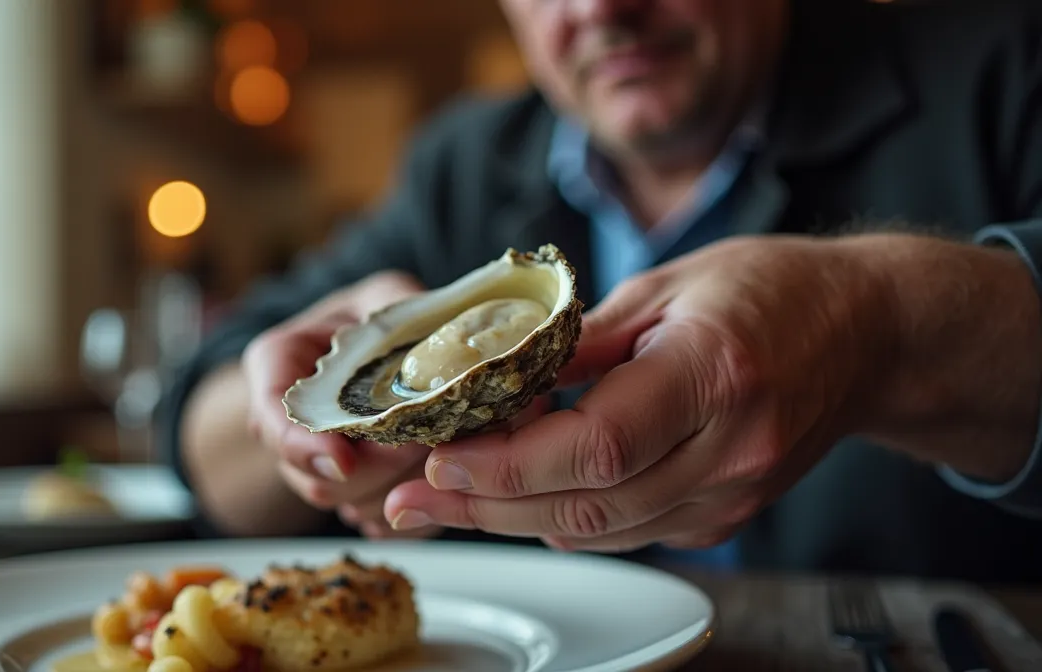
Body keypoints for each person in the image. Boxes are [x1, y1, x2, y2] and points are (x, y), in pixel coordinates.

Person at [160, 0, 1042, 582]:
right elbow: (204, 446)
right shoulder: (460, 168)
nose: (601, 9)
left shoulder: (1001, 67)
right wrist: (299, 436)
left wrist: (876, 323)